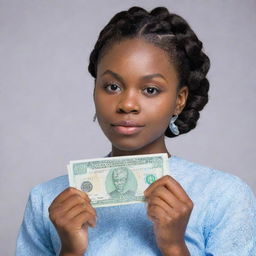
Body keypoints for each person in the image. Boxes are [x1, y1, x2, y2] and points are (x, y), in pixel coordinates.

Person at [16, 6, 256, 256]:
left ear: (179, 100)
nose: (127, 104)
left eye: (150, 89)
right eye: (112, 86)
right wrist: (70, 251)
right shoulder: (46, 200)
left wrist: (174, 247)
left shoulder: (225, 196)